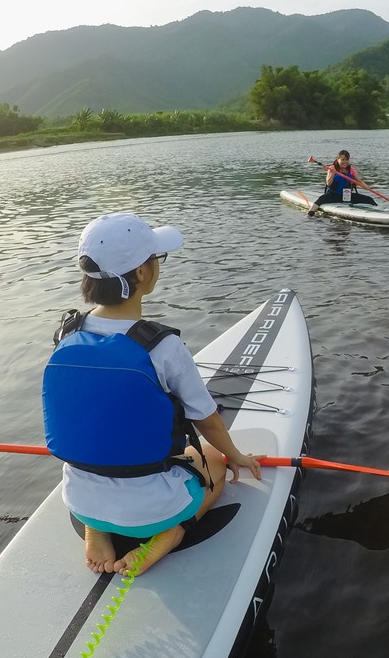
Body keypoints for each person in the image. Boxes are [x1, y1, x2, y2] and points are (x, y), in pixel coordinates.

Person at [42, 212, 263, 577]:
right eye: (156, 259)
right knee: (214, 462)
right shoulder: (163, 346)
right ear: (142, 274)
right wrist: (236, 455)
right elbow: (206, 419)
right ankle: (171, 534)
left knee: (103, 451)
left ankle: (96, 529)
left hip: (79, 501)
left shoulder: (67, 334)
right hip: (151, 513)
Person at [307, 150, 378, 216]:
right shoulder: (332, 168)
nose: (345, 162)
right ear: (337, 159)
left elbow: (359, 181)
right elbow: (328, 184)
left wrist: (367, 187)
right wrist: (331, 174)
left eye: (347, 160)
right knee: (321, 199)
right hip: (333, 195)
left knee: (369, 199)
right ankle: (310, 213)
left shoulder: (351, 170)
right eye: (343, 159)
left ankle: (379, 212)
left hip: (347, 196)